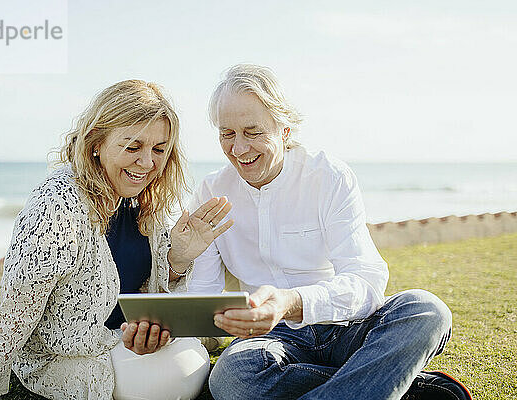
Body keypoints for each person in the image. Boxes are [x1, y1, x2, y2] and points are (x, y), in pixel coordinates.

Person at [187, 64, 472, 400]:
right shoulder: (211, 192)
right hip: (270, 340)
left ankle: (380, 381)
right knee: (233, 379)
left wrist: (291, 302)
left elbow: (365, 281)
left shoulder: (328, 176)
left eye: (252, 132)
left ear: (285, 130)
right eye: (227, 134)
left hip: (346, 328)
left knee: (427, 310)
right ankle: (401, 387)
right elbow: (202, 303)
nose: (238, 149)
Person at [0, 80, 233, 400]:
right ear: (97, 141)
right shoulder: (57, 205)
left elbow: (145, 288)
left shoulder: (143, 199)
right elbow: (13, 316)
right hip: (70, 356)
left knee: (190, 358)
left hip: (124, 338)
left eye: (158, 150)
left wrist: (177, 260)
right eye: (133, 147)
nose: (147, 163)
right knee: (177, 373)